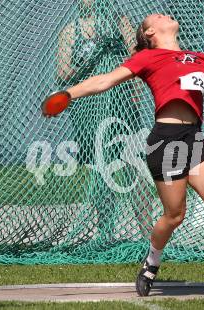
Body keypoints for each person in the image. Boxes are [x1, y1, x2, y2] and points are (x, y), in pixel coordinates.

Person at [58, 13, 204, 297]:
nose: (165, 14)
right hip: (166, 140)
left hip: (195, 139)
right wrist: (68, 93)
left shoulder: (199, 57)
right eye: (157, 16)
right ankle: (151, 263)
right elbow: (105, 81)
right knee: (175, 215)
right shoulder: (148, 58)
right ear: (150, 31)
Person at [56, 0, 153, 242]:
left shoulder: (119, 22)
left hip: (122, 106)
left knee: (135, 167)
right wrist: (91, 63)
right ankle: (105, 232)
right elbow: (62, 73)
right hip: (88, 111)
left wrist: (136, 91)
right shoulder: (70, 31)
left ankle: (148, 235)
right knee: (101, 170)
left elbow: (137, 59)